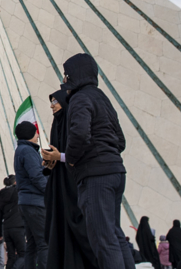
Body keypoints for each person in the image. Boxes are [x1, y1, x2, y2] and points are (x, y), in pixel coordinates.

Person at [55, 54, 133, 269]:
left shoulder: (80, 98)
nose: (64, 79)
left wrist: (71, 160)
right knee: (115, 234)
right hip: (116, 172)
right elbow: (120, 140)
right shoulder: (103, 99)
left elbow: (80, 134)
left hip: (96, 176)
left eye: (67, 74)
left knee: (103, 239)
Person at [41, 91, 95, 269]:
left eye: (55, 101)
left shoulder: (72, 124)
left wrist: (60, 157)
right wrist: (50, 161)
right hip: (60, 184)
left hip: (72, 183)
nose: (52, 105)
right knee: (60, 225)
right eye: (51, 102)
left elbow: (78, 152)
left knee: (77, 224)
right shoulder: (57, 124)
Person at [14, 121, 48, 269]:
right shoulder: (28, 151)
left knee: (32, 244)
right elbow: (36, 176)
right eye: (35, 132)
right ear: (30, 134)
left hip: (26, 202)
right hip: (35, 202)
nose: (38, 135)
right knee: (45, 242)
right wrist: (50, 191)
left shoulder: (20, 150)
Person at [0, 175, 26, 269]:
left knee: (11, 256)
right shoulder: (17, 192)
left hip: (7, 228)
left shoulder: (1, 195)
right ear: (15, 182)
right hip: (18, 226)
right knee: (24, 254)